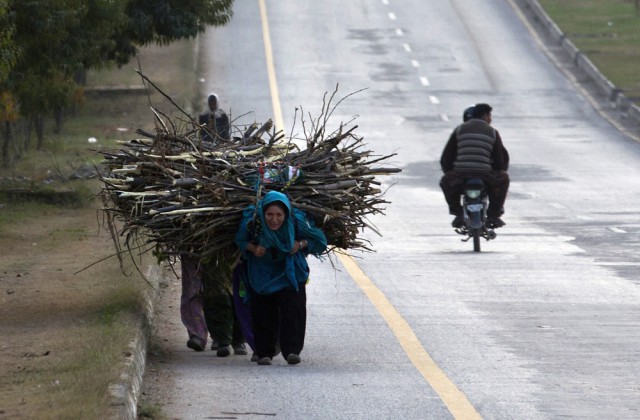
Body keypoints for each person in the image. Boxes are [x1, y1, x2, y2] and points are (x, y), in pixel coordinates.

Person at [235, 191, 327, 366]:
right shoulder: (253, 223)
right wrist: (253, 249)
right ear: (263, 213)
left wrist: (300, 244)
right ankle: (264, 352)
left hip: (290, 272)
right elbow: (239, 240)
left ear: (286, 214)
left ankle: (292, 350)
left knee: (293, 311)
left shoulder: (298, 222)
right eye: (269, 215)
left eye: (279, 215)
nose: (274, 220)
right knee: (262, 312)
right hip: (261, 272)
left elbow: (321, 241)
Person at [439, 103, 510, 228]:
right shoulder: (493, 132)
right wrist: (499, 171)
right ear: (485, 116)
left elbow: (446, 157)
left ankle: (458, 213)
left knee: (445, 182)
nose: (491, 118)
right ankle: (493, 216)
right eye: (490, 115)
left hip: (461, 174)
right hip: (485, 175)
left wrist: (449, 173)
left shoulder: (460, 129)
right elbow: (500, 160)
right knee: (504, 179)